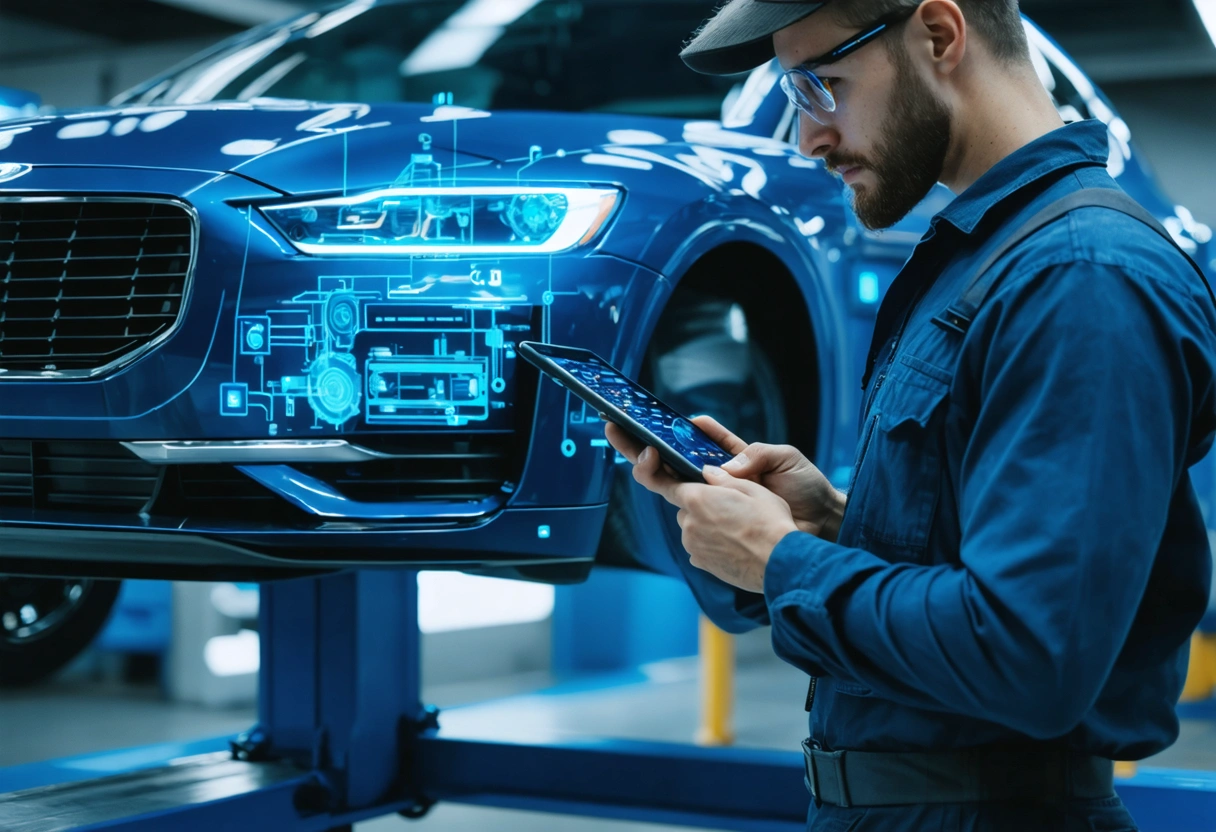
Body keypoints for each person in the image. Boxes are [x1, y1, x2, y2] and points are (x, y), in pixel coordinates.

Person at [603, 0, 1216, 829]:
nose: (808, 137)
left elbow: (1029, 657)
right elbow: (979, 562)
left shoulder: (1080, 278)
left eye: (823, 85)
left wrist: (782, 560)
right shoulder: (982, 262)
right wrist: (828, 524)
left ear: (938, 34)